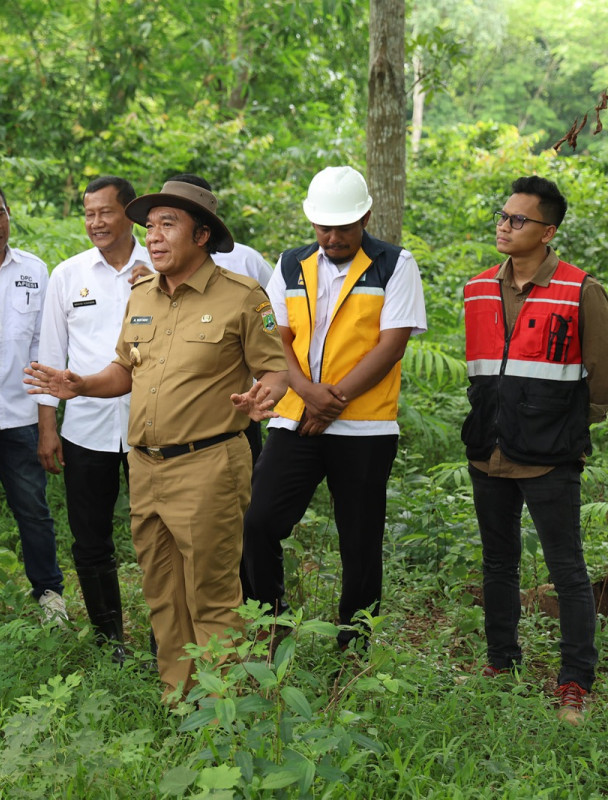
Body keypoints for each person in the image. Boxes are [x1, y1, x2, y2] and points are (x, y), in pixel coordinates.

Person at [26, 177, 288, 697]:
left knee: (212, 594)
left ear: (202, 235)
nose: (154, 236)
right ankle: (180, 698)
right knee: (162, 592)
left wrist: (266, 395)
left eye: (169, 225)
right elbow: (124, 370)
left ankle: (223, 712)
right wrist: (79, 386)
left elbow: (274, 369)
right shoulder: (142, 295)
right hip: (145, 467)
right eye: (150, 226)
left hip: (209, 464)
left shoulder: (241, 297)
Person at [242, 166, 427, 649]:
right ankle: (270, 624)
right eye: (324, 226)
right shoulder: (289, 264)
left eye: (343, 226)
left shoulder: (394, 263)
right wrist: (305, 392)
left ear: (365, 216)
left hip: (364, 428)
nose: (333, 236)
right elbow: (276, 339)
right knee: (258, 521)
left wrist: (332, 403)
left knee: (360, 540)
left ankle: (355, 643)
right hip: (294, 419)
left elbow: (391, 346)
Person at [463, 176, 605, 725]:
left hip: (550, 454)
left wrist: (564, 426)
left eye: (518, 219)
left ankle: (575, 682)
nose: (504, 225)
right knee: (498, 562)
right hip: (487, 450)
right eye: (502, 215)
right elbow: (482, 371)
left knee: (566, 568)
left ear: (548, 231)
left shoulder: (579, 288)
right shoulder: (477, 287)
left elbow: (602, 378)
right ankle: (502, 662)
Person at [36, 176, 151, 660]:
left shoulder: (159, 267)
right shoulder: (67, 275)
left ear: (130, 214)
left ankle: (168, 639)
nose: (96, 223)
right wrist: (48, 429)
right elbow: (49, 355)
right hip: (85, 429)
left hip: (153, 427)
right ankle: (111, 641)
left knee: (158, 536)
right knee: (90, 539)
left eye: (105, 212)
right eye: (88, 214)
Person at [0, 180, 65, 620]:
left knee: (33, 508)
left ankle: (49, 592)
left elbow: (45, 350)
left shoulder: (35, 271)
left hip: (21, 413)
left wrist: (47, 425)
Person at [168, 173, 274, 467]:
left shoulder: (246, 260)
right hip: (177, 410)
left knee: (243, 488)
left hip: (237, 403)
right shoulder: (159, 262)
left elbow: (274, 313)